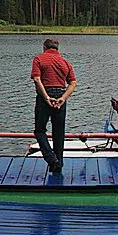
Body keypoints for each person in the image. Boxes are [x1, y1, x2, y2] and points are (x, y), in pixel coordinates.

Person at [30, 38, 74, 174]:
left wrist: (46, 97)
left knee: (39, 130)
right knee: (59, 133)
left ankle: (51, 159)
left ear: (44, 47)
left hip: (45, 96)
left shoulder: (38, 59)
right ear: (57, 48)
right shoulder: (65, 62)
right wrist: (62, 98)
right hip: (61, 95)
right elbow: (73, 83)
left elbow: (37, 79)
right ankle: (58, 165)